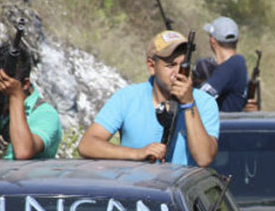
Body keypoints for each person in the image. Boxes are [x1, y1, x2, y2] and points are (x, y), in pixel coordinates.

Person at [78, 30, 219, 167]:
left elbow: (204, 159)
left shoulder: (204, 103)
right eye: (170, 65)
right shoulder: (127, 98)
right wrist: (138, 154)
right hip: (136, 189)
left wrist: (188, 104)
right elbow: (87, 145)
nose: (178, 73)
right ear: (152, 66)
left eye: (183, 65)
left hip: (179, 189)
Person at [0, 43, 61, 160]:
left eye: (3, 91)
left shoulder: (46, 115)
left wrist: (16, 97)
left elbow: (23, 153)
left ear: (25, 85)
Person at [198, 17, 249, 112]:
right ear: (238, 40)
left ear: (212, 41)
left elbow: (201, 98)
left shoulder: (231, 66)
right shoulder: (239, 63)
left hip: (225, 125)